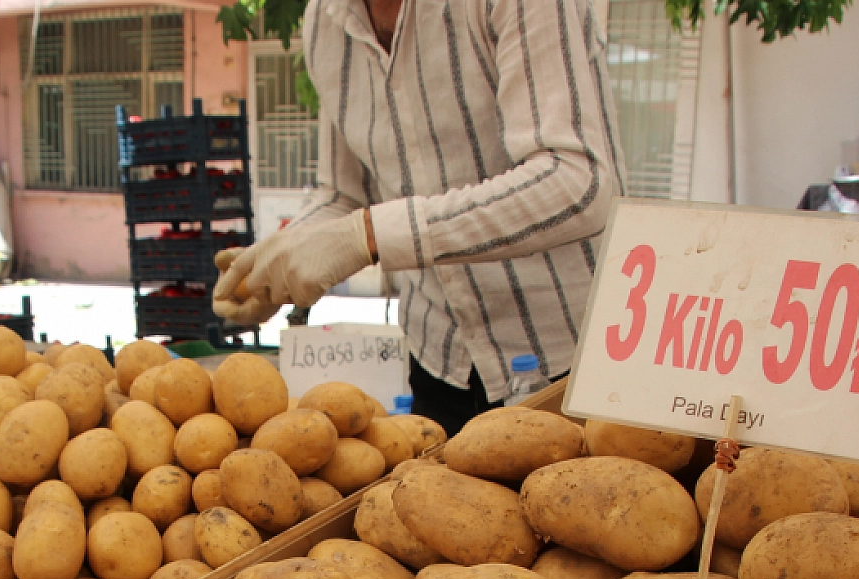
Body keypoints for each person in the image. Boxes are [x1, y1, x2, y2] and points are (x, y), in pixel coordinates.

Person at [211, 0, 625, 436]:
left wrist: (368, 236)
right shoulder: (325, 19)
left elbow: (576, 181)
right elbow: (345, 193)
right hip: (440, 362)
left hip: (571, 358)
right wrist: (280, 257)